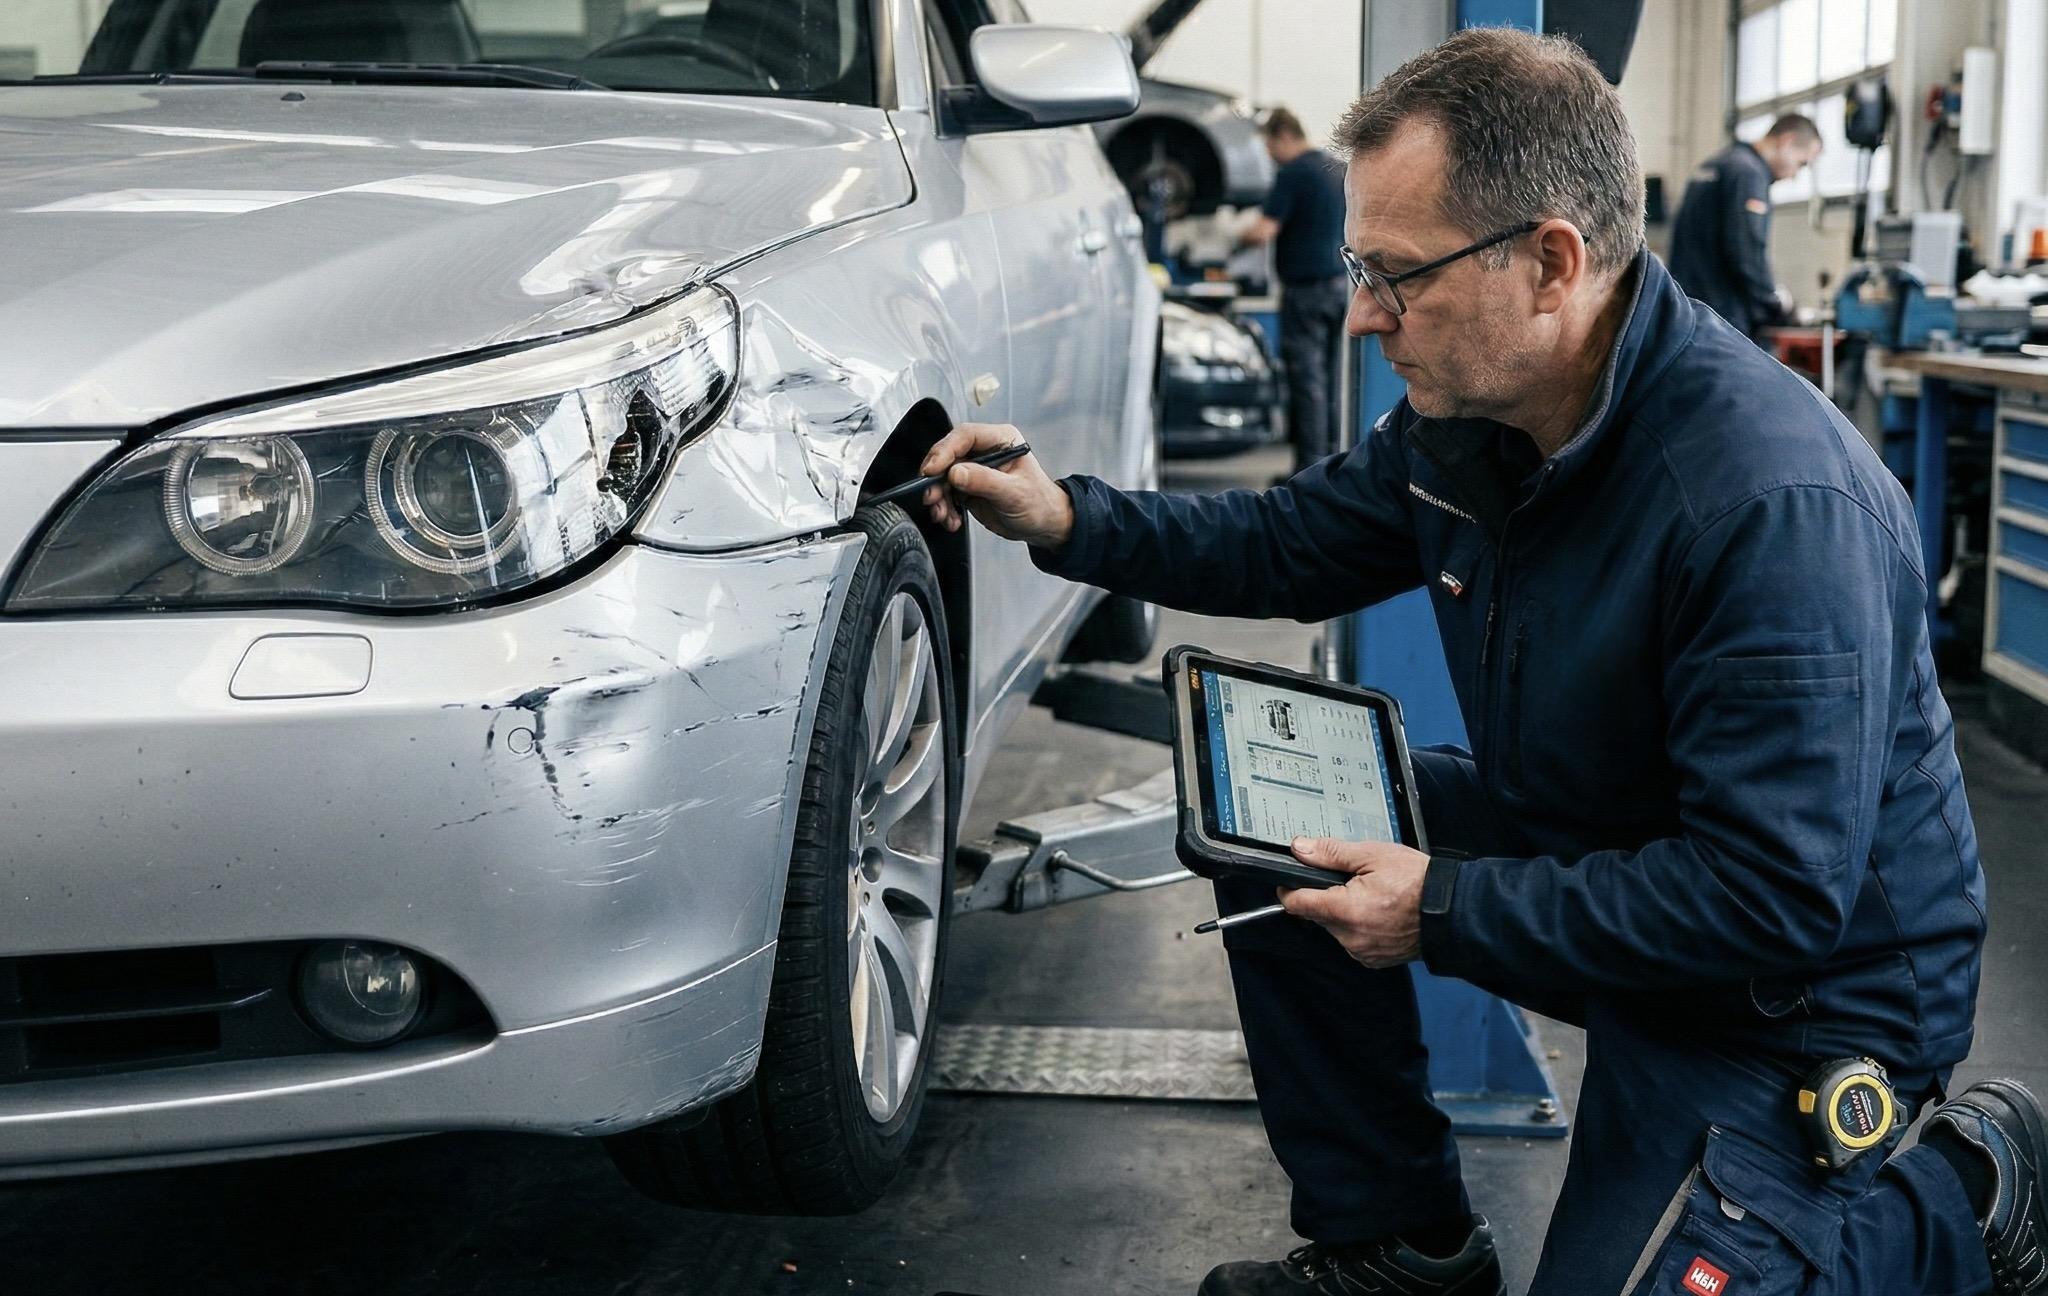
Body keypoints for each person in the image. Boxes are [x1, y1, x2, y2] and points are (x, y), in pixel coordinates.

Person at [914, 28, 2042, 1296]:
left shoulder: (1767, 509)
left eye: (1396, 276)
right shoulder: (1473, 422)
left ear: (1550, 264)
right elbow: (1285, 544)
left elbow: (1767, 897)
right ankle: (1400, 1241)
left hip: (1789, 1002)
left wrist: (1437, 906)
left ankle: (1962, 1190)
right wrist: (1063, 519)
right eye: (1358, 268)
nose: (1358, 315)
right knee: (1272, 813)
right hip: (1594, 837)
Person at [1241, 108, 1350, 469]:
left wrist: (1227, 240)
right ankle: (1334, 464)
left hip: (1305, 292)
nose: (1269, 154)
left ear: (1283, 135)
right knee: (1335, 381)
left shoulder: (1293, 173)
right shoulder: (1336, 169)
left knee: (1307, 383)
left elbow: (1263, 231)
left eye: (1269, 145)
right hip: (1341, 287)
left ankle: (1309, 473)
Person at [1667, 115, 1823, 340]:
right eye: (1801, 163)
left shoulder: (1719, 162)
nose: (1795, 175)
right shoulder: (1749, 173)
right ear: (1787, 141)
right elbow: (1747, 250)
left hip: (1687, 308)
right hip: (1721, 317)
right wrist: (1773, 302)